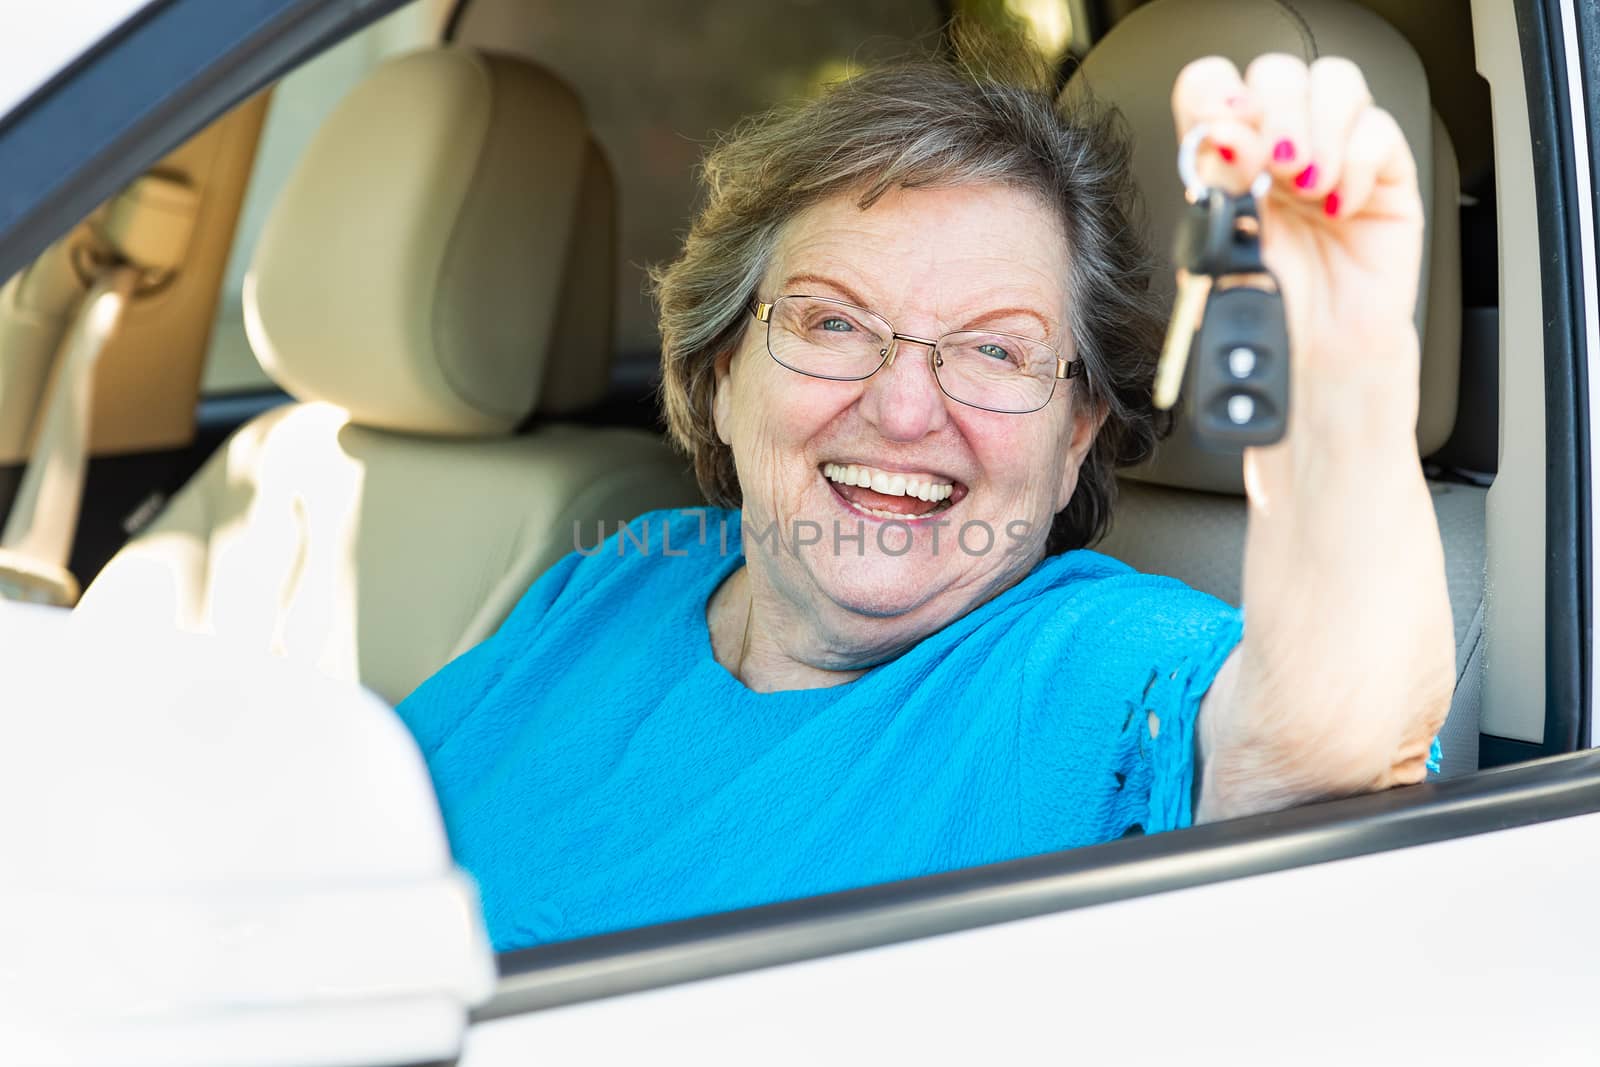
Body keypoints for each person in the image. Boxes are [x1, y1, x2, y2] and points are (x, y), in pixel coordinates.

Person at [397, 45, 1454, 951]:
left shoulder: (1089, 662)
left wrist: (1339, 372)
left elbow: (1322, 745)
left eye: (996, 348)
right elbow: (347, 840)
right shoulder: (630, 568)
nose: (904, 409)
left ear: (1075, 434)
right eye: (833, 323)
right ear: (721, 375)